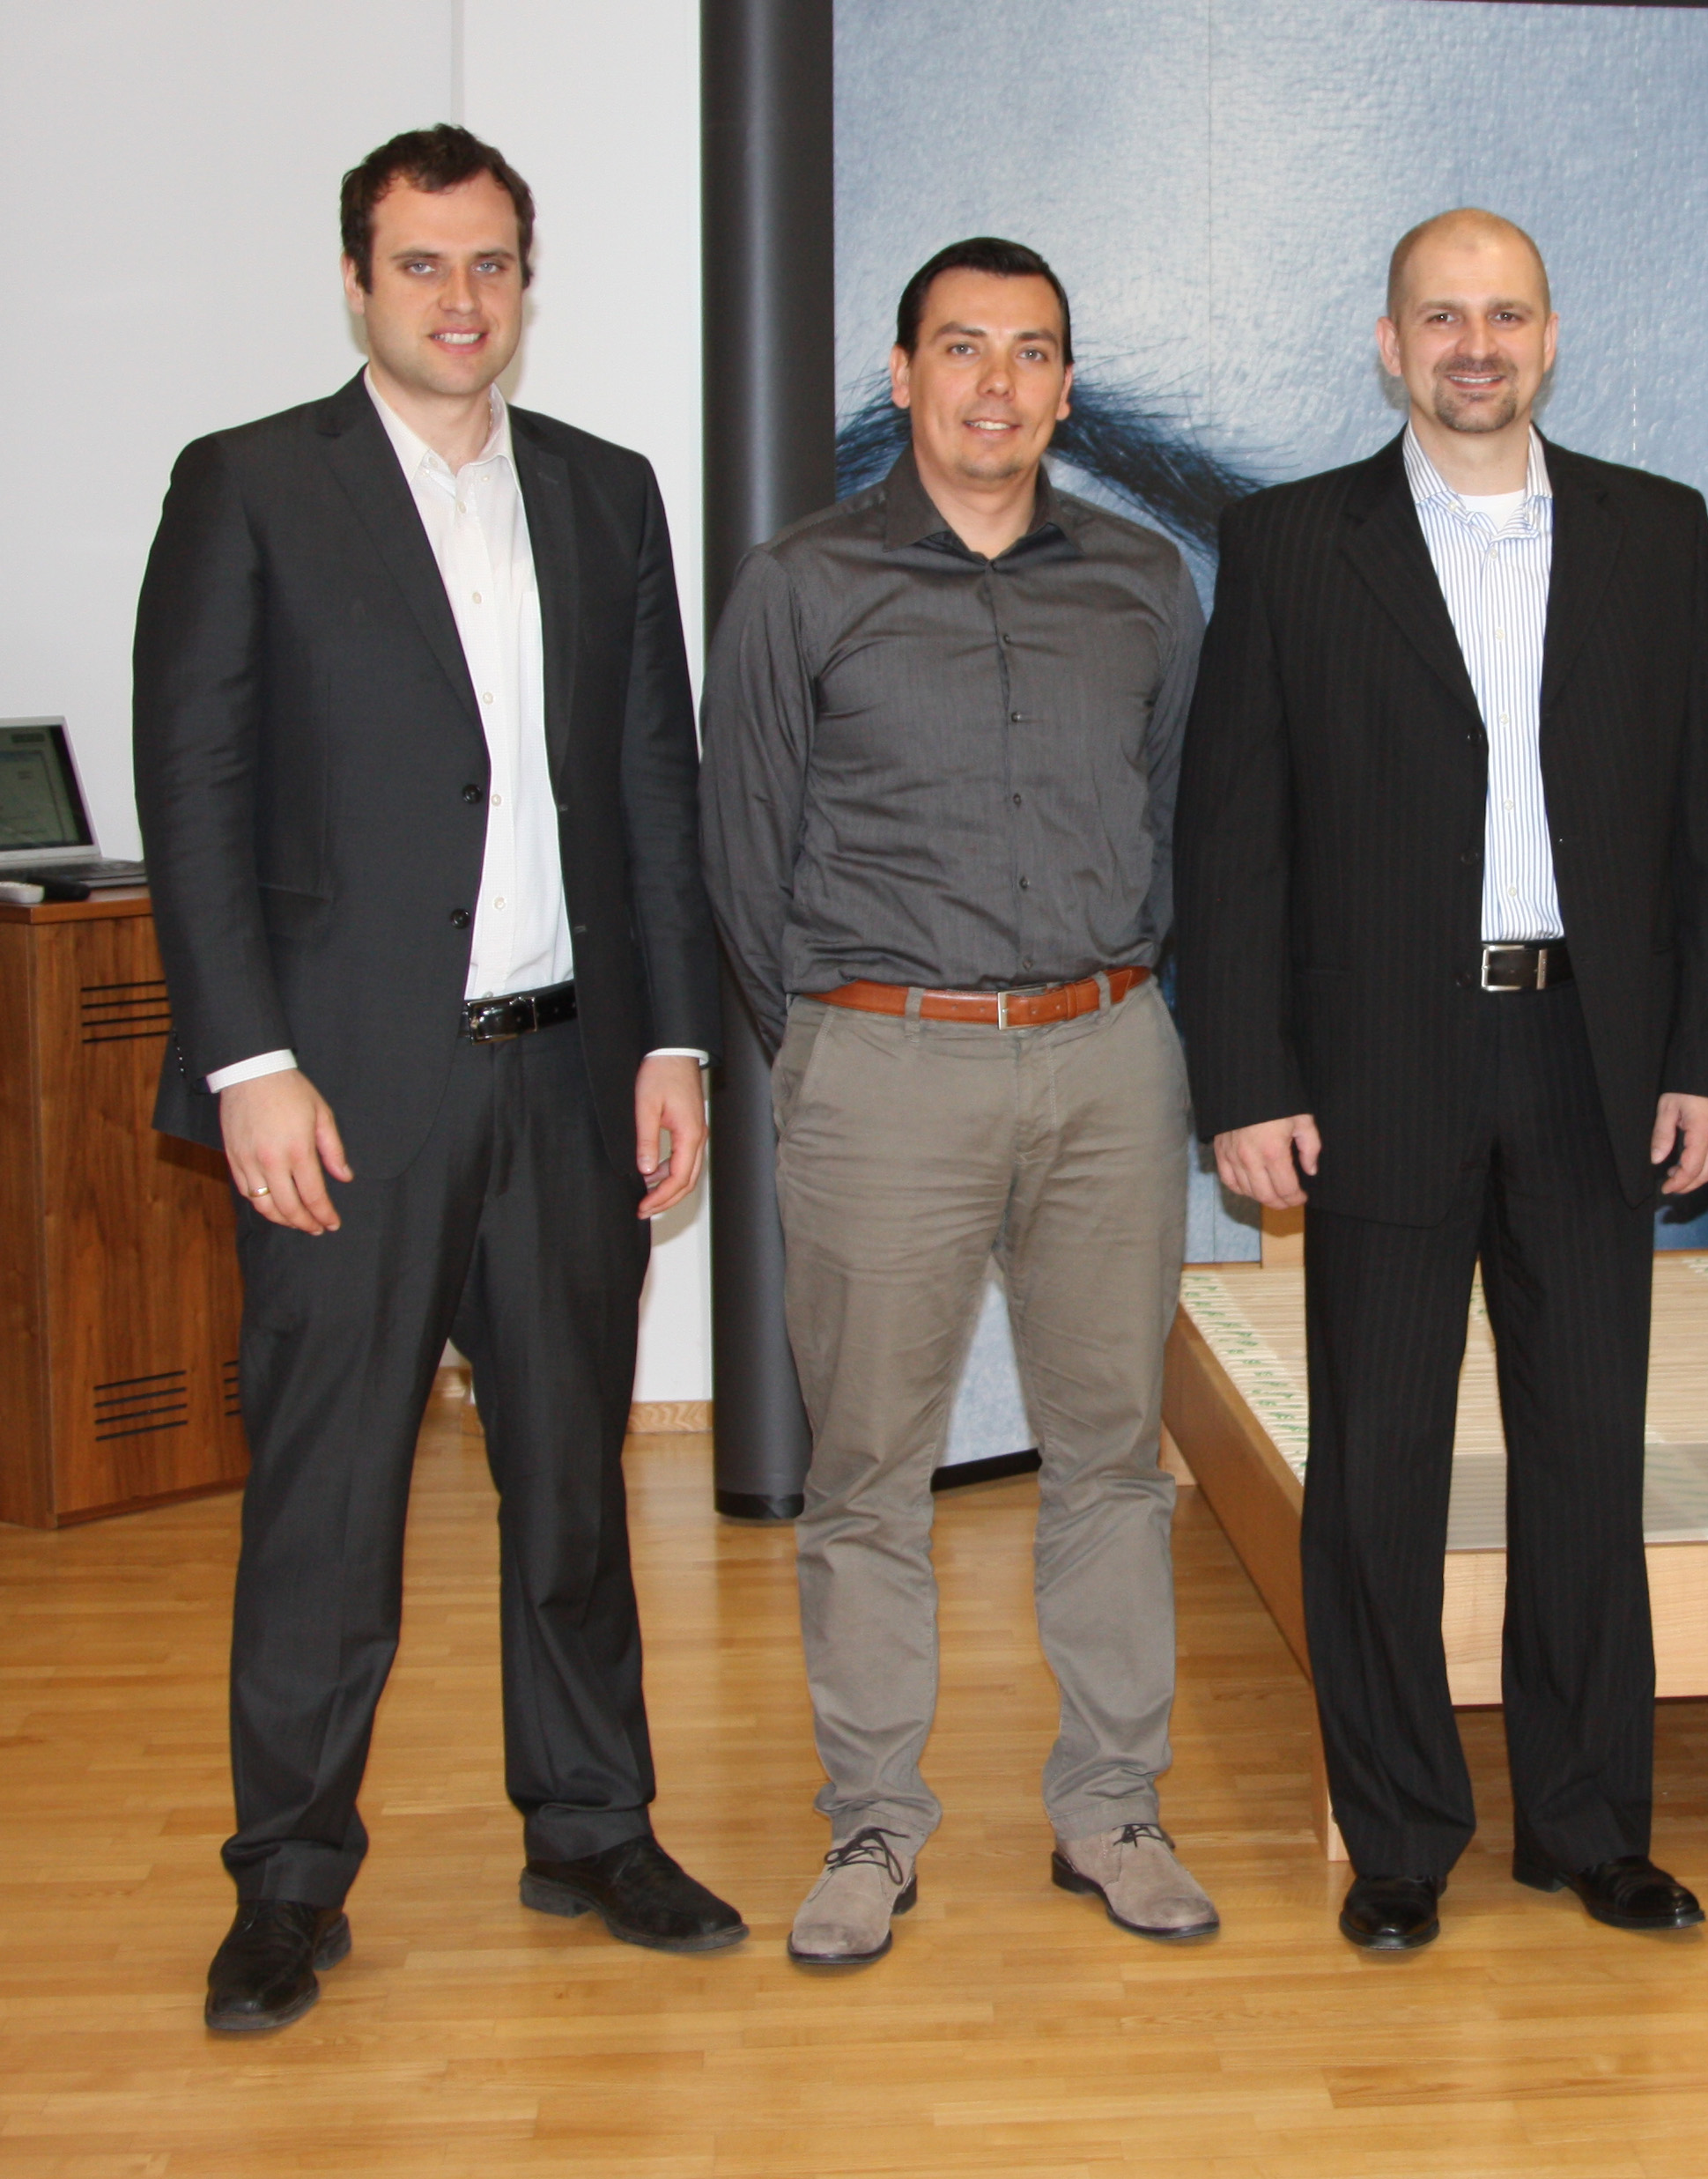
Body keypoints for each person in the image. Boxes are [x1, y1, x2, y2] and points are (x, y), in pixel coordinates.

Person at [134, 126, 739, 2035]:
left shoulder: (604, 491)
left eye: (490, 264)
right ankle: (287, 1881)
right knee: (328, 1506)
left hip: (570, 1081)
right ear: (355, 282)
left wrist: (672, 1037)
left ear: (523, 283)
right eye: (421, 265)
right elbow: (193, 789)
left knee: (571, 1487)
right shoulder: (249, 485)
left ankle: (592, 1823)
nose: (460, 299)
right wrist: (248, 1060)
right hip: (344, 1097)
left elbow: (653, 784)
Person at [1174, 210, 1708, 1951]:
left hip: (1594, 1063)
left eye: (1504, 315)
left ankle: (1588, 1825)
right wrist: (1245, 1076)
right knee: (1377, 1472)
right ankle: (1401, 1833)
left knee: (1586, 1461)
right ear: (1389, 344)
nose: (1474, 345)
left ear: (1550, 337)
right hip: (1380, 1071)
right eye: (1442, 316)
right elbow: (1231, 835)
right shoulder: (1291, 544)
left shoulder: (1658, 533)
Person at [701, 237, 1214, 1968]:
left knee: (1111, 1460)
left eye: (1031, 352)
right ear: (903, 373)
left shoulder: (1143, 583)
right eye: (963, 348)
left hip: (1105, 1057)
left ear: (1067, 386)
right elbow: (741, 854)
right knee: (868, 1473)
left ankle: (1113, 1807)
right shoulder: (800, 583)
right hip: (883, 1066)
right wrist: (827, 1055)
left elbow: (1175, 824)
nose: (997, 384)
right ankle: (872, 1823)